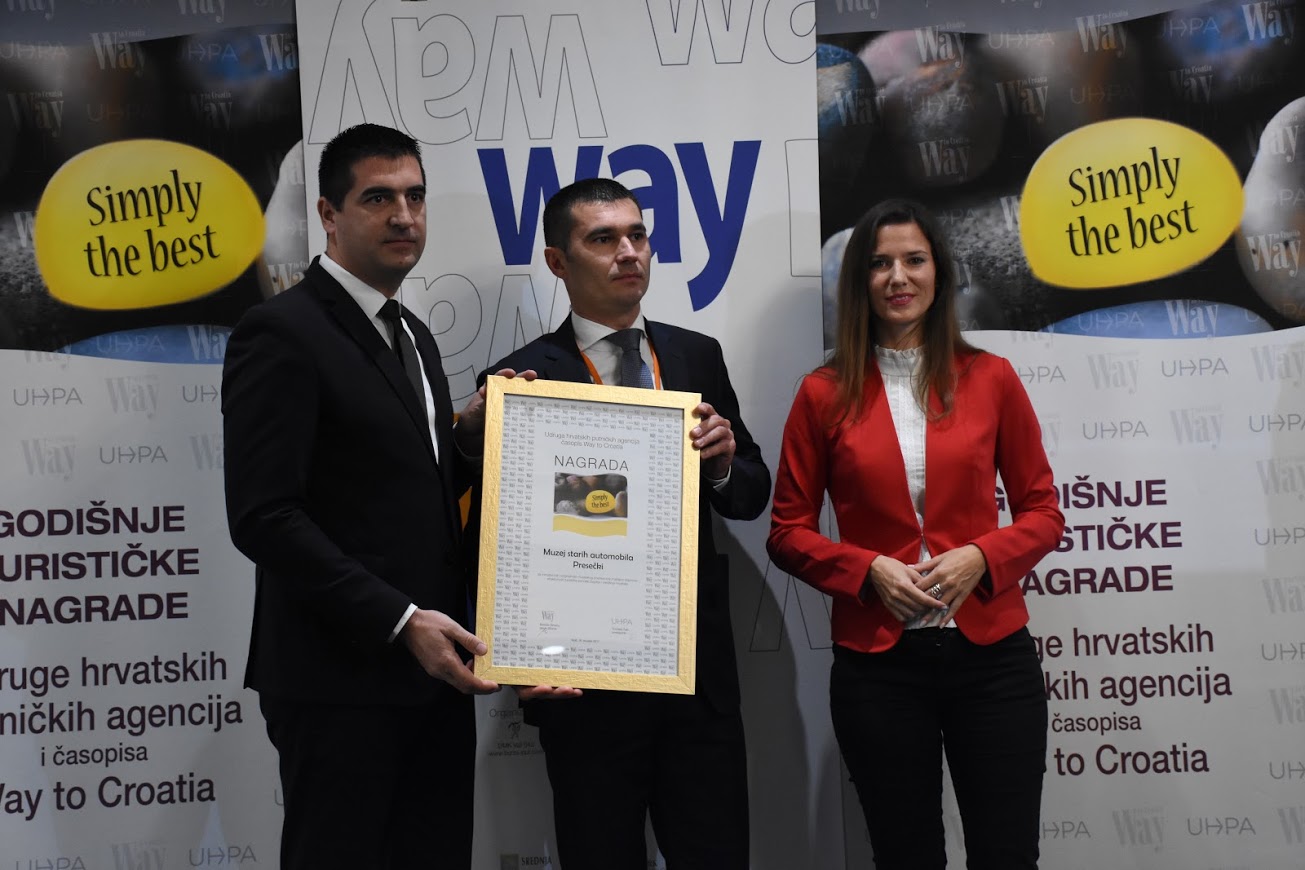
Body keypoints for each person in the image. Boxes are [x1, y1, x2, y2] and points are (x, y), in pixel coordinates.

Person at [221, 123, 529, 869]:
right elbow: (263, 516)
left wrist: (463, 443)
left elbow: (403, 487)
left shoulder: (414, 333)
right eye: (378, 198)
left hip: (433, 672)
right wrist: (399, 620)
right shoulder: (280, 331)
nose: (404, 216)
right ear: (328, 215)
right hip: (339, 681)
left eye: (415, 197)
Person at [478, 178, 771, 869]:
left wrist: (722, 464)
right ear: (557, 261)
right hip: (581, 687)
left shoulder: (696, 355)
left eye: (637, 235)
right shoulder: (519, 380)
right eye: (603, 239)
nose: (628, 252)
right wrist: (518, 658)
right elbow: (500, 544)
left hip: (695, 680)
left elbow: (749, 492)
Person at [767, 199, 1064, 870]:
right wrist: (866, 570)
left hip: (993, 661)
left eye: (913, 260)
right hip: (879, 668)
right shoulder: (821, 393)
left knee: (1008, 855)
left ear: (939, 272)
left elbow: (1043, 512)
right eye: (879, 263)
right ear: (858, 281)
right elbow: (786, 532)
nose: (897, 277)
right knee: (905, 857)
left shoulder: (991, 377)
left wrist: (981, 556)